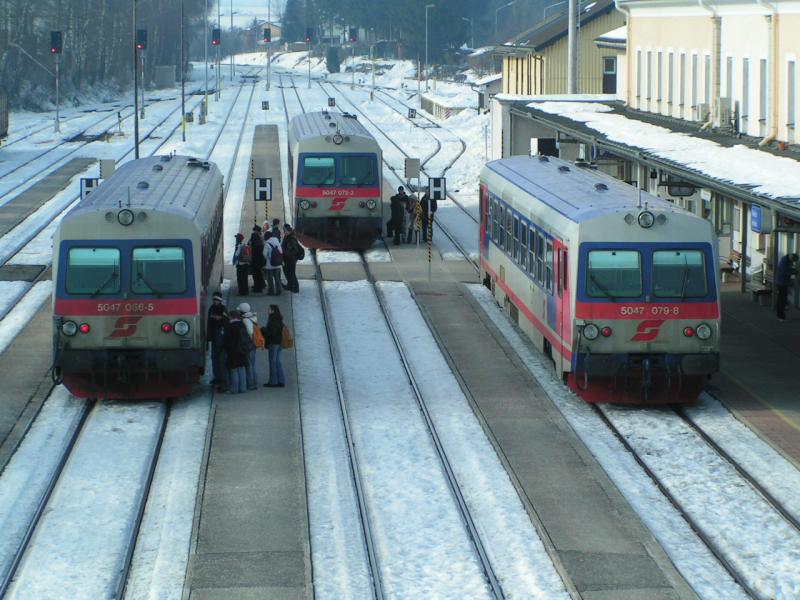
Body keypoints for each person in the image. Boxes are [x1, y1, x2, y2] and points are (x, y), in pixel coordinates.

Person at [223, 310, 251, 394]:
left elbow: (227, 341)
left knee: (234, 370)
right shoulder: (242, 325)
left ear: (231, 317)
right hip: (242, 350)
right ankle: (242, 388)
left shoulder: (229, 327)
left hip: (233, 351)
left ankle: (235, 389)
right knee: (241, 369)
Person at [207, 292, 228, 388]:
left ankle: (220, 377)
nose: (215, 301)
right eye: (214, 300)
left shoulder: (223, 309)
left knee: (219, 357)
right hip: (214, 334)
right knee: (214, 357)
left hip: (220, 334)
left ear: (220, 300)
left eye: (216, 300)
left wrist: (218, 318)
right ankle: (217, 376)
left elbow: (225, 320)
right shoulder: (211, 308)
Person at [262, 304, 286, 387]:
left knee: (272, 362)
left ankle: (273, 382)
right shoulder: (279, 319)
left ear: (273, 311)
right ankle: (281, 380)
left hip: (273, 343)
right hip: (279, 343)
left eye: (269, 309)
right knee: (278, 362)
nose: (267, 310)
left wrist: (263, 330)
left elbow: (271, 333)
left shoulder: (272, 320)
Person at [237, 302, 259, 390]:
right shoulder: (252, 318)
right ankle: (254, 382)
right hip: (253, 345)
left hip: (249, 345)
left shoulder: (245, 320)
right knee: (252, 364)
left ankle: (250, 384)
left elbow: (250, 332)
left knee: (249, 365)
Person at [776, 252, 798, 321]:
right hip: (782, 283)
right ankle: (780, 316)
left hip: (782, 282)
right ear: (791, 258)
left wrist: (793, 271)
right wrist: (794, 272)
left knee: (781, 299)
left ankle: (780, 315)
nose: (793, 263)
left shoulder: (786, 259)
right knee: (782, 299)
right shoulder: (785, 262)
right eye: (793, 261)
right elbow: (785, 272)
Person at [281, 224, 303, 293]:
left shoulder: (291, 238)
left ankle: (295, 288)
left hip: (291, 259)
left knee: (291, 273)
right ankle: (290, 285)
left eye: (285, 230)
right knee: (287, 272)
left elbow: (295, 250)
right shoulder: (287, 236)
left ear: (288, 230)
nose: (284, 231)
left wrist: (288, 254)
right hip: (287, 258)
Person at [263, 231, 283, 295]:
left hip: (270, 265)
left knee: (270, 279)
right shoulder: (277, 241)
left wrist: (268, 258)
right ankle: (279, 290)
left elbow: (264, 254)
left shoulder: (267, 243)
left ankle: (271, 291)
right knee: (277, 278)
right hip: (277, 264)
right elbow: (281, 251)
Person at [249, 225, 266, 293]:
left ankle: (257, 288)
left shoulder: (254, 236)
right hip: (260, 259)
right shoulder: (260, 237)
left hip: (256, 259)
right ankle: (262, 284)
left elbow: (254, 248)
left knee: (256, 274)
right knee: (259, 273)